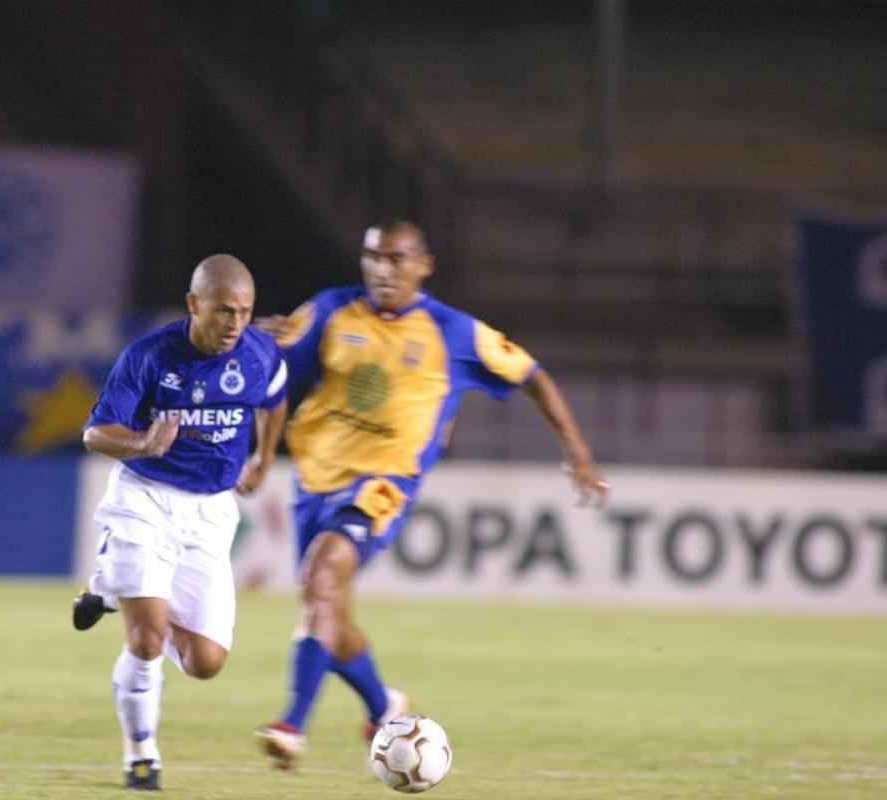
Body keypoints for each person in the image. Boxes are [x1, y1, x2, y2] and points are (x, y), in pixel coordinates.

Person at [253, 219, 610, 768]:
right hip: (313, 481)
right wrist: (258, 339)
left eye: (396, 259)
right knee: (327, 607)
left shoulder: (453, 333)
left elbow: (532, 375)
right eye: (373, 257)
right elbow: (273, 372)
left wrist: (577, 451)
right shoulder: (330, 311)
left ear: (424, 265)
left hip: (381, 486)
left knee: (322, 579)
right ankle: (382, 705)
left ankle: (291, 725)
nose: (382, 269)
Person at [71, 254, 289, 790]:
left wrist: (264, 457)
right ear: (194, 305)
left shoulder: (258, 353)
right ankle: (141, 751)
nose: (234, 323)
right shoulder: (148, 357)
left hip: (212, 512)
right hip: (145, 498)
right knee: (146, 643)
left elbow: (276, 397)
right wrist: (144, 443)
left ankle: (114, 587)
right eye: (222, 311)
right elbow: (95, 434)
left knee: (205, 661)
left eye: (244, 312)